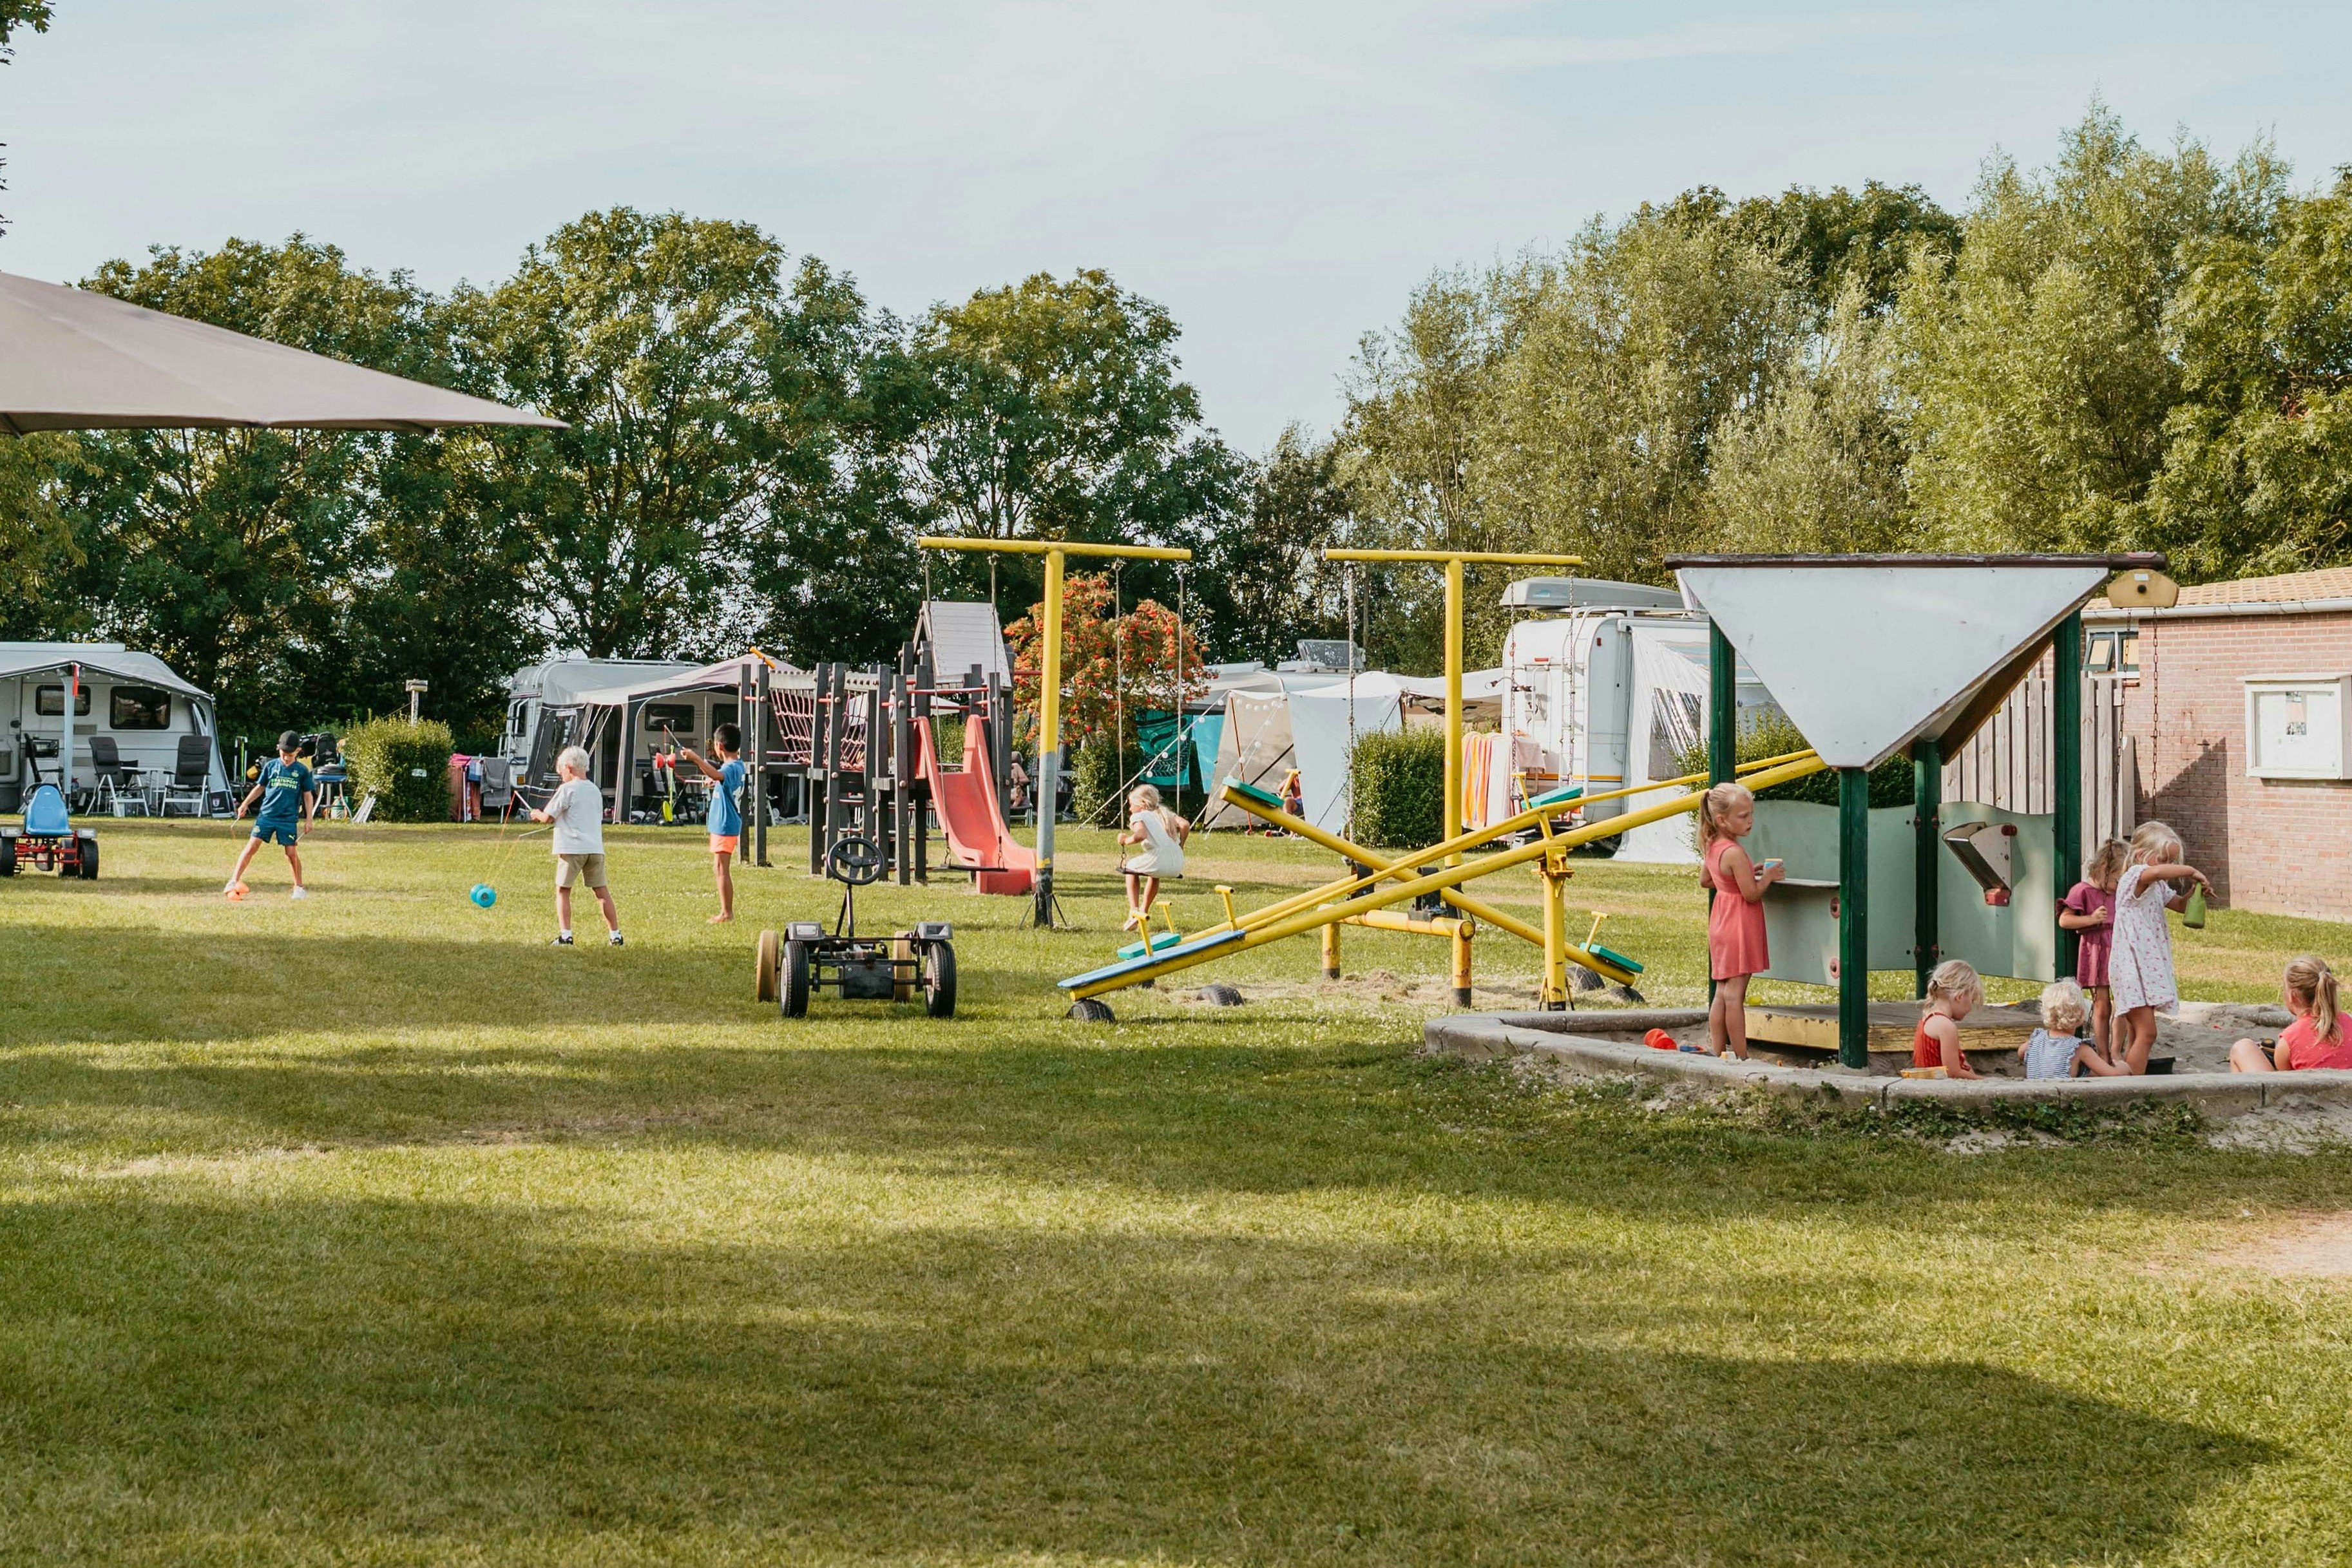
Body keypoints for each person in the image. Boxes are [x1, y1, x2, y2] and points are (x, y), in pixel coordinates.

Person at [2108, 820, 2213, 1074]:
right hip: (2132, 968)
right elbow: (2154, 873)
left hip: (2146, 968)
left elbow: (2178, 905)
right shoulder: (2135, 877)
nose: (2170, 866)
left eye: (2173, 861)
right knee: (2148, 1033)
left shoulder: (2156, 886)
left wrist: (2195, 892)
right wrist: (2190, 871)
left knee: (2138, 1033)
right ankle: (2130, 1087)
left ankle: (2134, 1078)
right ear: (2143, 855)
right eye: (2165, 859)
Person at [1699, 780, 1782, 1059]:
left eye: (1751, 814)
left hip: (1721, 920)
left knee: (1722, 991)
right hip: (1739, 924)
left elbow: (1706, 879)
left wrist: (1745, 872)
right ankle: (1742, 1056)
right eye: (1743, 816)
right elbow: (1751, 894)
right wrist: (1766, 877)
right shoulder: (1734, 852)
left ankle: (1719, 1051)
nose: (1750, 821)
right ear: (1722, 820)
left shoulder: (1713, 845)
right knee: (1735, 994)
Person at [531, 745, 622, 947]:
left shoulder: (567, 789)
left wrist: (536, 814)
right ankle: (615, 935)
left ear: (569, 768)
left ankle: (566, 936)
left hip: (572, 849)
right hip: (595, 848)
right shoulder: (595, 790)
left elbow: (547, 817)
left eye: (561, 771)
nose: (561, 776)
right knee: (602, 892)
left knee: (563, 890)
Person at [2057, 839, 2129, 1062]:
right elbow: (2065, 921)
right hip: (2097, 950)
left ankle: (2117, 1050)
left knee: (2125, 1003)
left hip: (2118, 948)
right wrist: (2091, 919)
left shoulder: (2118, 892)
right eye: (2119, 879)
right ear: (2105, 871)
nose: (2121, 885)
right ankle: (2103, 1053)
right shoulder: (2083, 891)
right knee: (2102, 1004)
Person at [225, 730, 316, 899]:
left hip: (288, 819)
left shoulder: (302, 771)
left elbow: (307, 795)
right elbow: (260, 787)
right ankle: (233, 881)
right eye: (283, 754)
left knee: (291, 853)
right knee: (251, 847)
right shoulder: (271, 766)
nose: (286, 758)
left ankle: (299, 888)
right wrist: (245, 804)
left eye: (290, 754)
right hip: (267, 815)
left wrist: (309, 819)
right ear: (278, 749)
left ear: (298, 750)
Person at [2229, 956, 2352, 1073]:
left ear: (2292, 996)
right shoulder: (2348, 1021)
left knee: (2242, 1047)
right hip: (2345, 1092)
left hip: (2308, 1094)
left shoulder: (2289, 1040)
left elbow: (2286, 1085)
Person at [677, 723, 746, 924]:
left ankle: (727, 913)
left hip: (726, 824)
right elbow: (721, 778)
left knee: (722, 869)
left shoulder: (731, 767)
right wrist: (715, 782)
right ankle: (725, 911)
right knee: (718, 868)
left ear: (719, 746)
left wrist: (696, 759)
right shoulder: (735, 766)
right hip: (723, 824)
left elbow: (719, 774)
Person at [2022, 977, 2130, 1079]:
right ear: (2081, 1014)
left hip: (2035, 1096)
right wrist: (2123, 1068)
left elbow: (2020, 1052)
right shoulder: (2079, 1049)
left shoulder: (2036, 1040)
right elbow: (2111, 1074)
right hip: (2062, 1097)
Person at [1118, 783, 1188, 932]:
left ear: (1142, 804)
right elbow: (1185, 825)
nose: (1130, 809)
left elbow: (1140, 835)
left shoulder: (1139, 816)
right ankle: (1144, 910)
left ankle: (1134, 910)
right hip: (1177, 862)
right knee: (1153, 875)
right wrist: (1180, 846)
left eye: (1131, 805)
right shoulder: (1166, 814)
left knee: (1130, 868)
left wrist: (1126, 841)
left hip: (1159, 859)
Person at [1913, 959, 1985, 1078]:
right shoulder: (1946, 1026)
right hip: (1940, 1090)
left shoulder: (1927, 1018)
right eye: (1972, 1001)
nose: (1970, 1008)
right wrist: (1985, 1081)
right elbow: (1953, 1073)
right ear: (1960, 996)